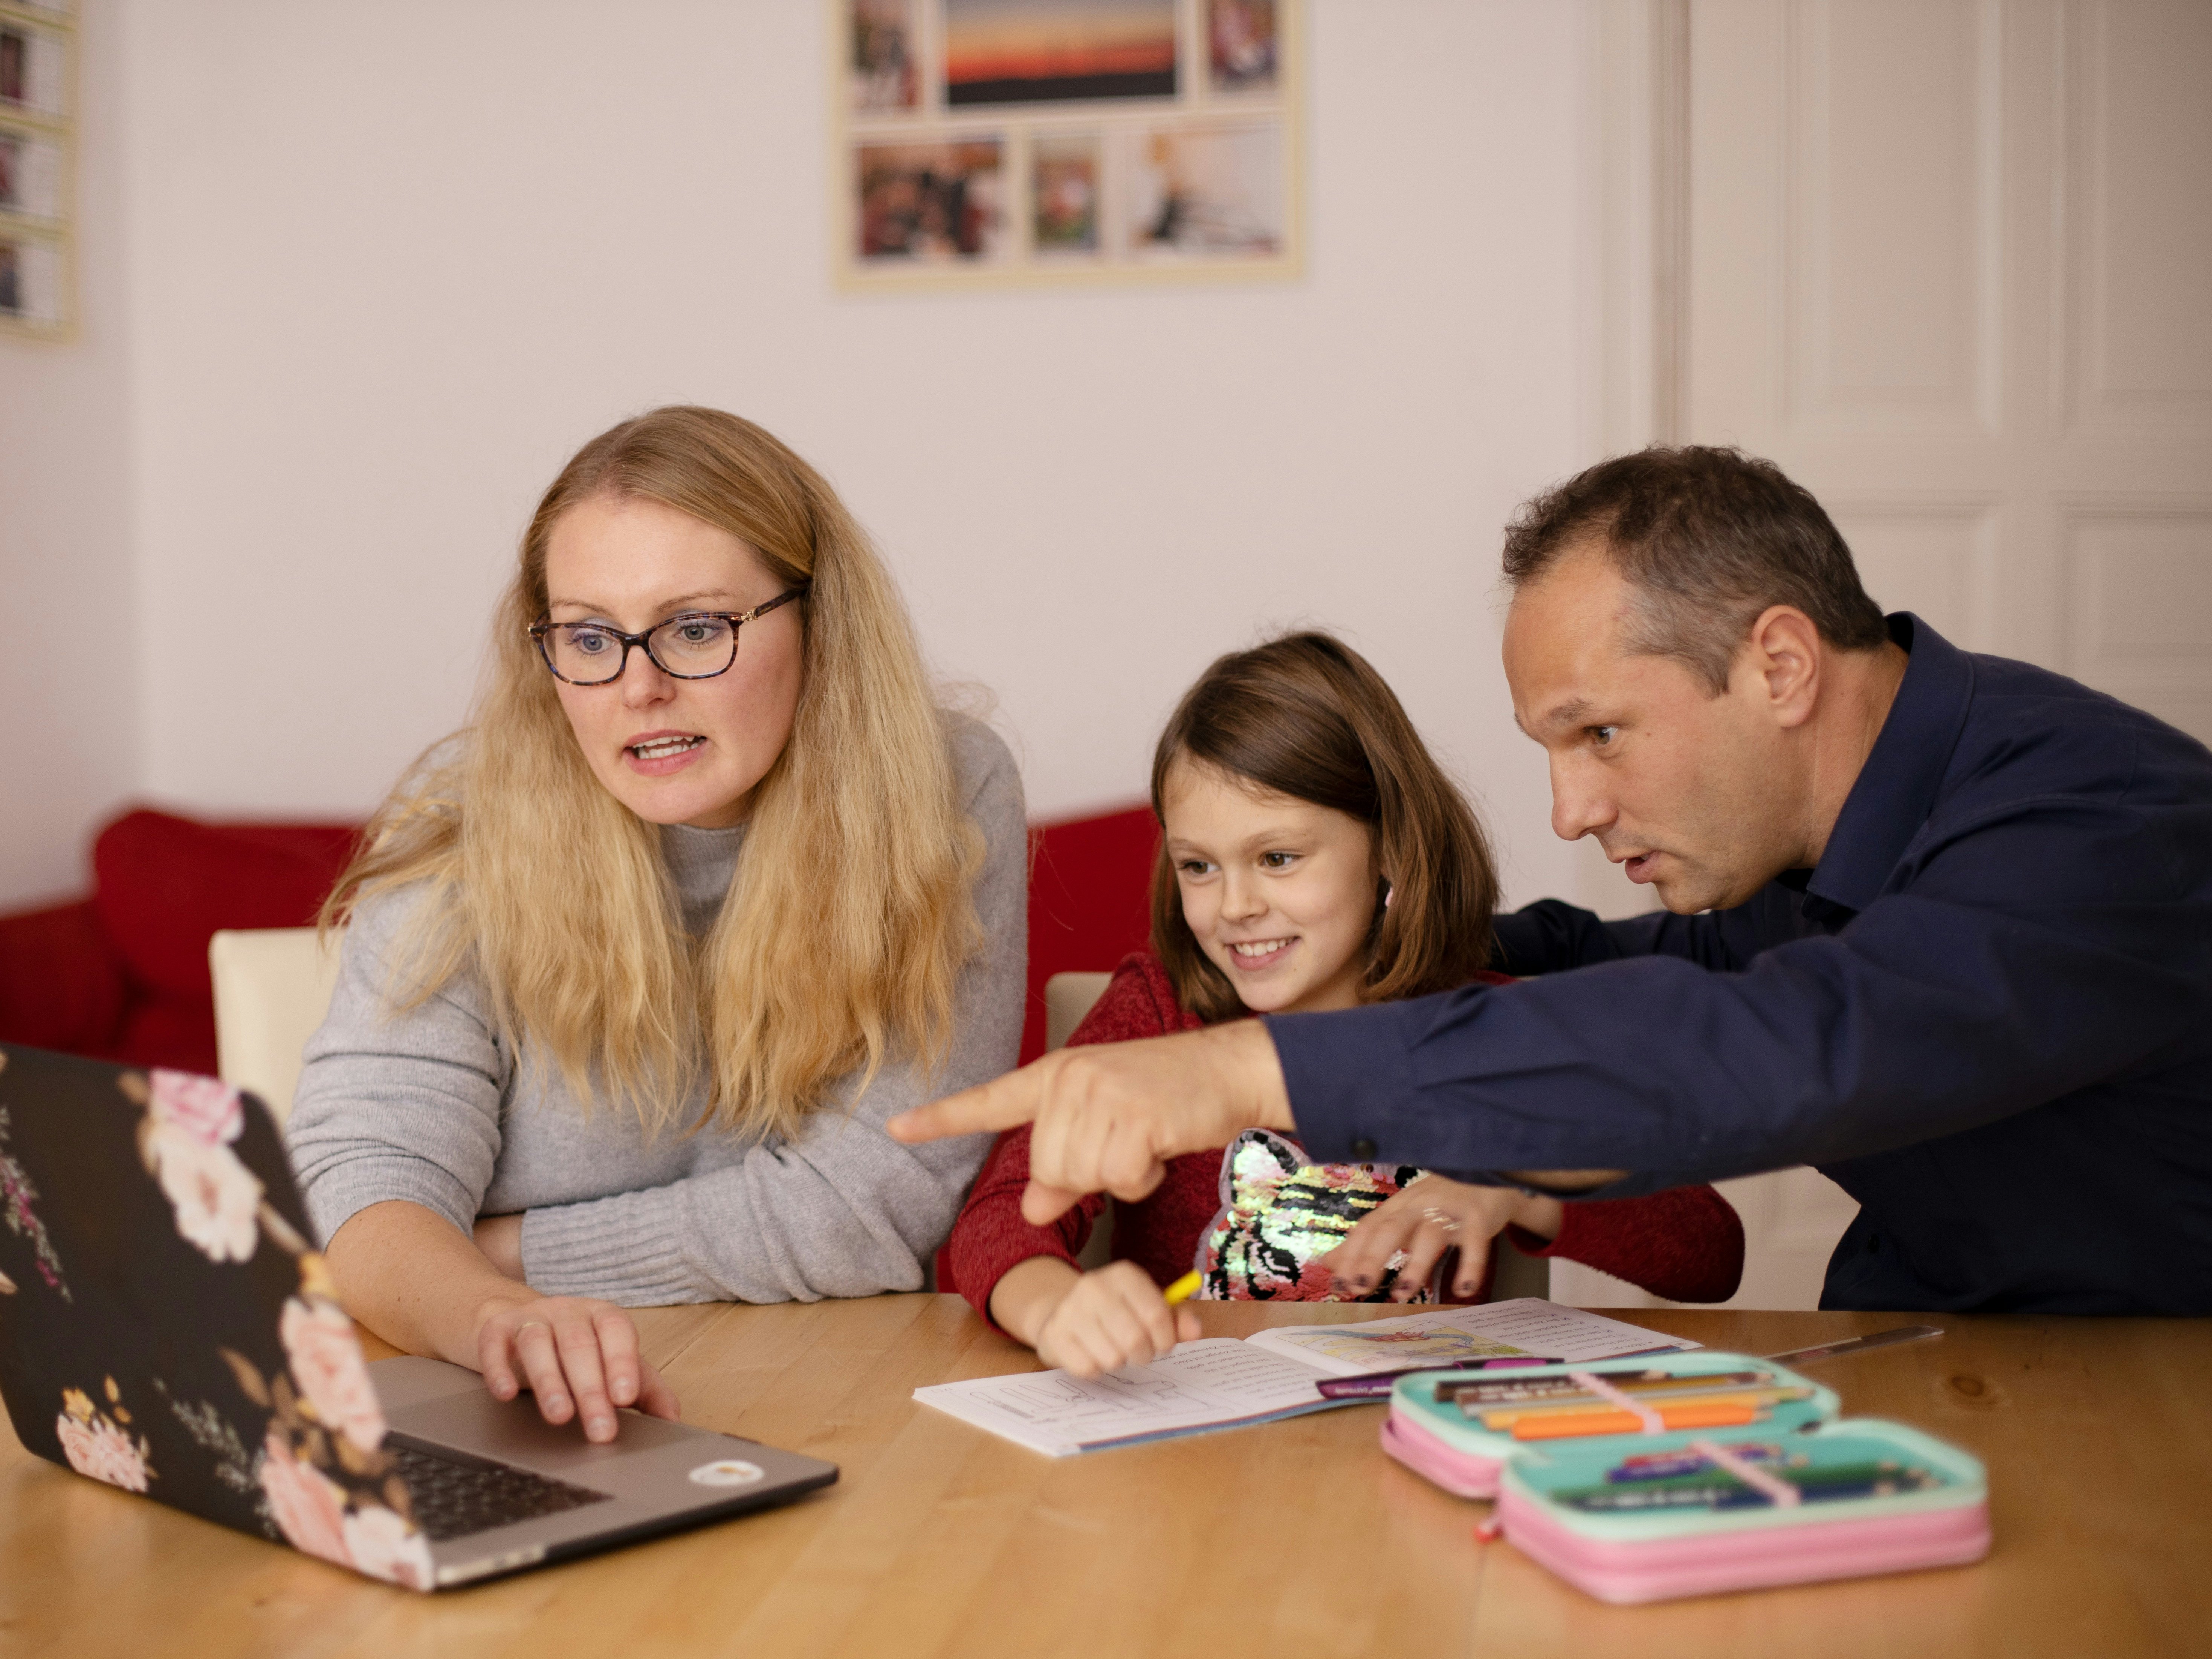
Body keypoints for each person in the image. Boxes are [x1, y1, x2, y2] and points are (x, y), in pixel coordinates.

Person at [892, 446, 2212, 1317]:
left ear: (1781, 666)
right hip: (1925, 1344)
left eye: (1601, 734)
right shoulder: (1792, 851)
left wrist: (1253, 1069)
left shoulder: (2099, 827)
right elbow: (1614, 968)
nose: (1571, 810)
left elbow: (1791, 1042)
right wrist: (1365, 961)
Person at [288, 407, 1025, 1441]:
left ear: (820, 622)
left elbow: (878, 1208)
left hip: (831, 1401)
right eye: (590, 636)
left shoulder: (946, 789)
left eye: (695, 627)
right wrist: (493, 1309)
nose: (638, 686)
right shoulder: (467, 822)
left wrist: (496, 1250)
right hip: (504, 1402)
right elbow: (362, 1188)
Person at [946, 634, 1741, 1378]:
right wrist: (1056, 1305)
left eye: (1277, 857)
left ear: (1389, 848)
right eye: (1198, 867)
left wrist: (1522, 1182)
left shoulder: (1487, 1032)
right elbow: (994, 1221)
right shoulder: (1156, 1012)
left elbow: (1709, 1252)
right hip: (1193, 1461)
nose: (1235, 906)